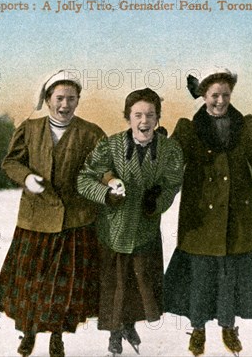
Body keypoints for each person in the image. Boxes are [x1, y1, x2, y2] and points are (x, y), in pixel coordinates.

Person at [164, 68, 252, 357]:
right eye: (214, 95)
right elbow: (170, 169)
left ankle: (229, 326)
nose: (220, 101)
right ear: (203, 95)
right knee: (201, 276)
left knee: (231, 274)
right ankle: (198, 330)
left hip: (237, 217)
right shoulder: (189, 129)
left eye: (225, 95)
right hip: (200, 219)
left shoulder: (249, 126)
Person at [0, 70, 105, 357]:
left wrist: (110, 182)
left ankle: (56, 337)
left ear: (78, 101)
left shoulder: (91, 133)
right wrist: (27, 177)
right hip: (34, 220)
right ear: (47, 99)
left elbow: (104, 168)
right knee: (31, 282)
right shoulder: (29, 129)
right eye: (59, 98)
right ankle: (28, 333)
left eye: (71, 99)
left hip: (75, 221)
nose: (65, 105)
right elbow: (11, 162)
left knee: (62, 286)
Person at [77, 88, 183, 356]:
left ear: (158, 118)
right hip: (113, 229)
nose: (144, 121)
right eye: (138, 115)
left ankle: (129, 324)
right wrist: (106, 194)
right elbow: (84, 178)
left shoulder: (170, 150)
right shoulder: (110, 145)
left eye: (150, 115)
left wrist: (157, 202)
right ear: (128, 118)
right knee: (114, 283)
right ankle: (114, 334)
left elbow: (172, 184)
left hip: (145, 228)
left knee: (141, 281)